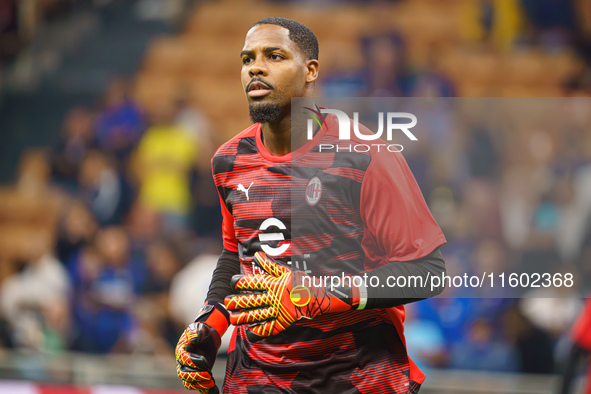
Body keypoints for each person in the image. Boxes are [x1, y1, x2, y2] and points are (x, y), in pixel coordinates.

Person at [175, 17, 446, 394]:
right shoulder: (229, 161)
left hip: (358, 380)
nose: (255, 67)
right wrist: (210, 324)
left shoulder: (366, 155)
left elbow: (428, 271)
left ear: (310, 71)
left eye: (274, 56)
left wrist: (316, 294)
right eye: (247, 58)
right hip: (257, 379)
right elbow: (237, 255)